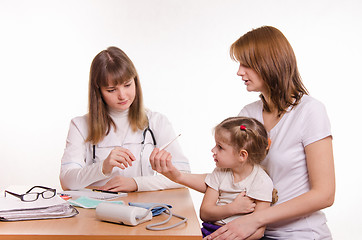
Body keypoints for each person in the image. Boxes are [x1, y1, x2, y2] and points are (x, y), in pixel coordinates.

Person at [151, 26, 335, 240]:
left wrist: (256, 219)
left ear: (270, 63)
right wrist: (176, 175)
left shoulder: (310, 111)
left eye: (246, 64)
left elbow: (324, 194)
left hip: (297, 234)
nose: (239, 72)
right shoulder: (249, 115)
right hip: (249, 231)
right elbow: (227, 179)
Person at [60, 46, 190, 192]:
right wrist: (103, 167)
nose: (122, 95)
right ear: (98, 91)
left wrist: (137, 183)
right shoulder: (80, 126)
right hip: (98, 210)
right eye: (111, 90)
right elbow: (67, 182)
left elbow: (184, 175)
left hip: (145, 209)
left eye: (127, 85)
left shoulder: (157, 122)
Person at [199, 117, 273, 238]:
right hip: (210, 232)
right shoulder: (219, 172)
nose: (213, 150)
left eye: (220, 147)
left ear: (242, 155)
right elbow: (205, 213)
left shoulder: (261, 181)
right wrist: (233, 208)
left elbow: (259, 232)